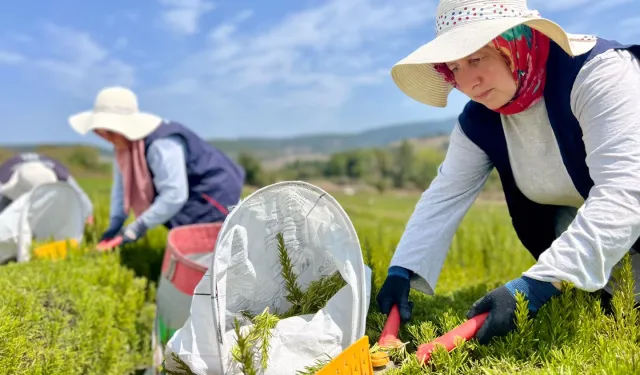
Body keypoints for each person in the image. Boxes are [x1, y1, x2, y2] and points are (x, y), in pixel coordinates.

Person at [376, 0, 640, 346]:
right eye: (455, 67)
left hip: (627, 217)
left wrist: (537, 284)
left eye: (477, 58)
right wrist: (402, 270)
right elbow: (444, 195)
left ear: (514, 42)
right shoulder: (481, 119)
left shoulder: (598, 73)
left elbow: (626, 189)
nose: (469, 82)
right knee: (611, 314)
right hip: (603, 245)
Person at [67, 86, 246, 247]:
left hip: (212, 194)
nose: (103, 136)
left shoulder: (161, 144)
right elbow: (120, 188)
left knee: (216, 250)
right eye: (98, 131)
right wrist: (115, 224)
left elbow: (174, 194)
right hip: (188, 197)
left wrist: (136, 228)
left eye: (109, 131)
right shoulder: (123, 149)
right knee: (195, 249)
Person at [0, 152, 94, 224]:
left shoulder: (62, 175)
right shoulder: (3, 178)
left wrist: (87, 216)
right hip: (16, 182)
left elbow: (82, 198)